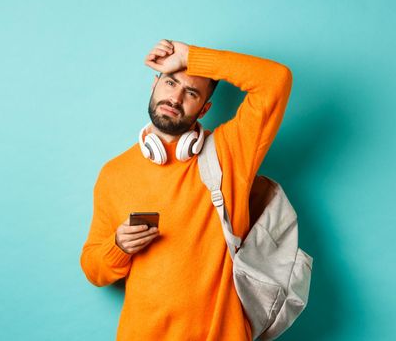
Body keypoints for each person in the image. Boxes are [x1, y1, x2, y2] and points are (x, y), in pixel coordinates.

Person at [80, 39, 293, 340]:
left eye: (190, 92)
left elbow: (276, 80)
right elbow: (93, 269)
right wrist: (118, 246)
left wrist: (189, 57)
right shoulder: (114, 173)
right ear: (154, 85)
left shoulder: (229, 154)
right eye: (170, 82)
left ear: (205, 108)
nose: (175, 97)